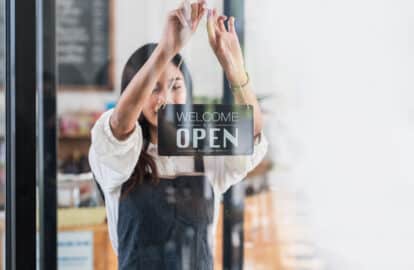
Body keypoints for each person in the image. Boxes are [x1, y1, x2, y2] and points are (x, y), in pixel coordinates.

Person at [88, 1, 268, 269]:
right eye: (153, 87)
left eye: (175, 85)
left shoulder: (204, 147)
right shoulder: (118, 152)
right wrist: (166, 49)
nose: (164, 99)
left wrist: (235, 69)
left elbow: (251, 136)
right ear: (133, 93)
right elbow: (119, 129)